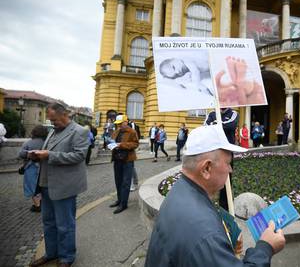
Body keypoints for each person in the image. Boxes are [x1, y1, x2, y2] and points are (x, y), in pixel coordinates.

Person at [145, 124, 286, 267]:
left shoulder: (181, 189)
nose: (230, 169)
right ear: (206, 168)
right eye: (228, 163)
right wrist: (265, 247)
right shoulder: (206, 234)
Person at [28, 103, 89, 267]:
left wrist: (49, 155)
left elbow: (79, 156)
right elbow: (48, 151)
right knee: (48, 222)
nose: (52, 123)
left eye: (54, 120)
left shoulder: (79, 131)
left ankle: (67, 257)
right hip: (46, 184)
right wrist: (36, 156)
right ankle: (51, 253)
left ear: (65, 114)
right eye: (50, 120)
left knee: (64, 225)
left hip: (64, 186)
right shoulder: (53, 131)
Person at [204, 108, 239, 211]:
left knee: (226, 180)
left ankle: (225, 207)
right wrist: (219, 125)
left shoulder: (233, 113)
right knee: (209, 177)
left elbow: (231, 125)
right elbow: (206, 126)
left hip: (227, 153)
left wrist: (215, 124)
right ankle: (207, 203)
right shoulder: (212, 113)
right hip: (213, 151)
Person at [108, 114, 139, 214]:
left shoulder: (132, 131)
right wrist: (110, 143)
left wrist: (121, 145)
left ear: (126, 122)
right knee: (118, 181)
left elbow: (135, 144)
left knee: (126, 183)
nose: (119, 126)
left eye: (121, 124)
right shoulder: (117, 131)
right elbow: (112, 140)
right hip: (117, 159)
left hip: (127, 160)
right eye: (118, 124)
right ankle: (119, 200)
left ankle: (124, 204)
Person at [18, 125, 49, 212]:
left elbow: (21, 154)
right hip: (44, 167)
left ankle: (37, 205)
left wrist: (28, 154)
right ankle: (43, 203)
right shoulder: (47, 143)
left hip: (31, 167)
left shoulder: (28, 143)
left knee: (32, 186)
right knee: (42, 185)